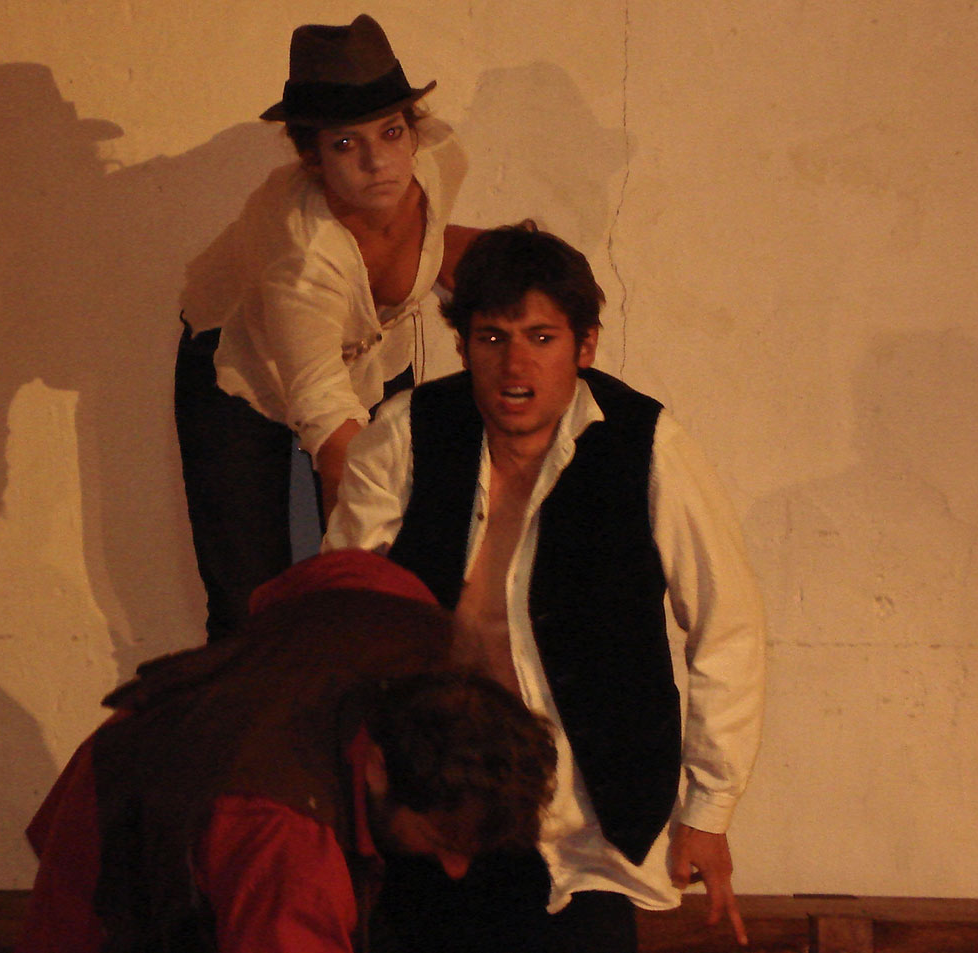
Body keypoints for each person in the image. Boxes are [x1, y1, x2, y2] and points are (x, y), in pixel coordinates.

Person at [325, 223, 767, 951]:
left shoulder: (646, 445)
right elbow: (342, 613)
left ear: (584, 346)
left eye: (541, 337)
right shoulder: (406, 436)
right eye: (492, 338)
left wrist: (708, 810)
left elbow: (730, 627)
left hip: (584, 829)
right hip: (436, 812)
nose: (515, 364)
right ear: (462, 344)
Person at [18, 549, 557, 953]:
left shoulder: (401, 616)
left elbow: (320, 579)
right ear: (378, 768)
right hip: (123, 831)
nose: (457, 868)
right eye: (441, 840)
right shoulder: (288, 841)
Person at [175, 14, 480, 641]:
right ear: (311, 159)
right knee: (248, 602)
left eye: (391, 131)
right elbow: (338, 447)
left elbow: (429, 239)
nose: (377, 161)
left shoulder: (440, 159)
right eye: (345, 144)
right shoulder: (303, 258)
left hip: (371, 354)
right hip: (241, 367)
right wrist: (358, 600)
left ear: (414, 132)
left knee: (409, 566)